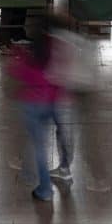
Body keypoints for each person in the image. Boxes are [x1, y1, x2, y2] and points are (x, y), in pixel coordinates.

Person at [10, 35, 72, 202]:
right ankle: (29, 172)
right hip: (50, 104)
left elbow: (16, 72)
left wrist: (19, 53)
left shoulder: (30, 65)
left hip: (32, 106)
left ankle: (44, 189)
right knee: (39, 142)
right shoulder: (52, 62)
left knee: (38, 146)